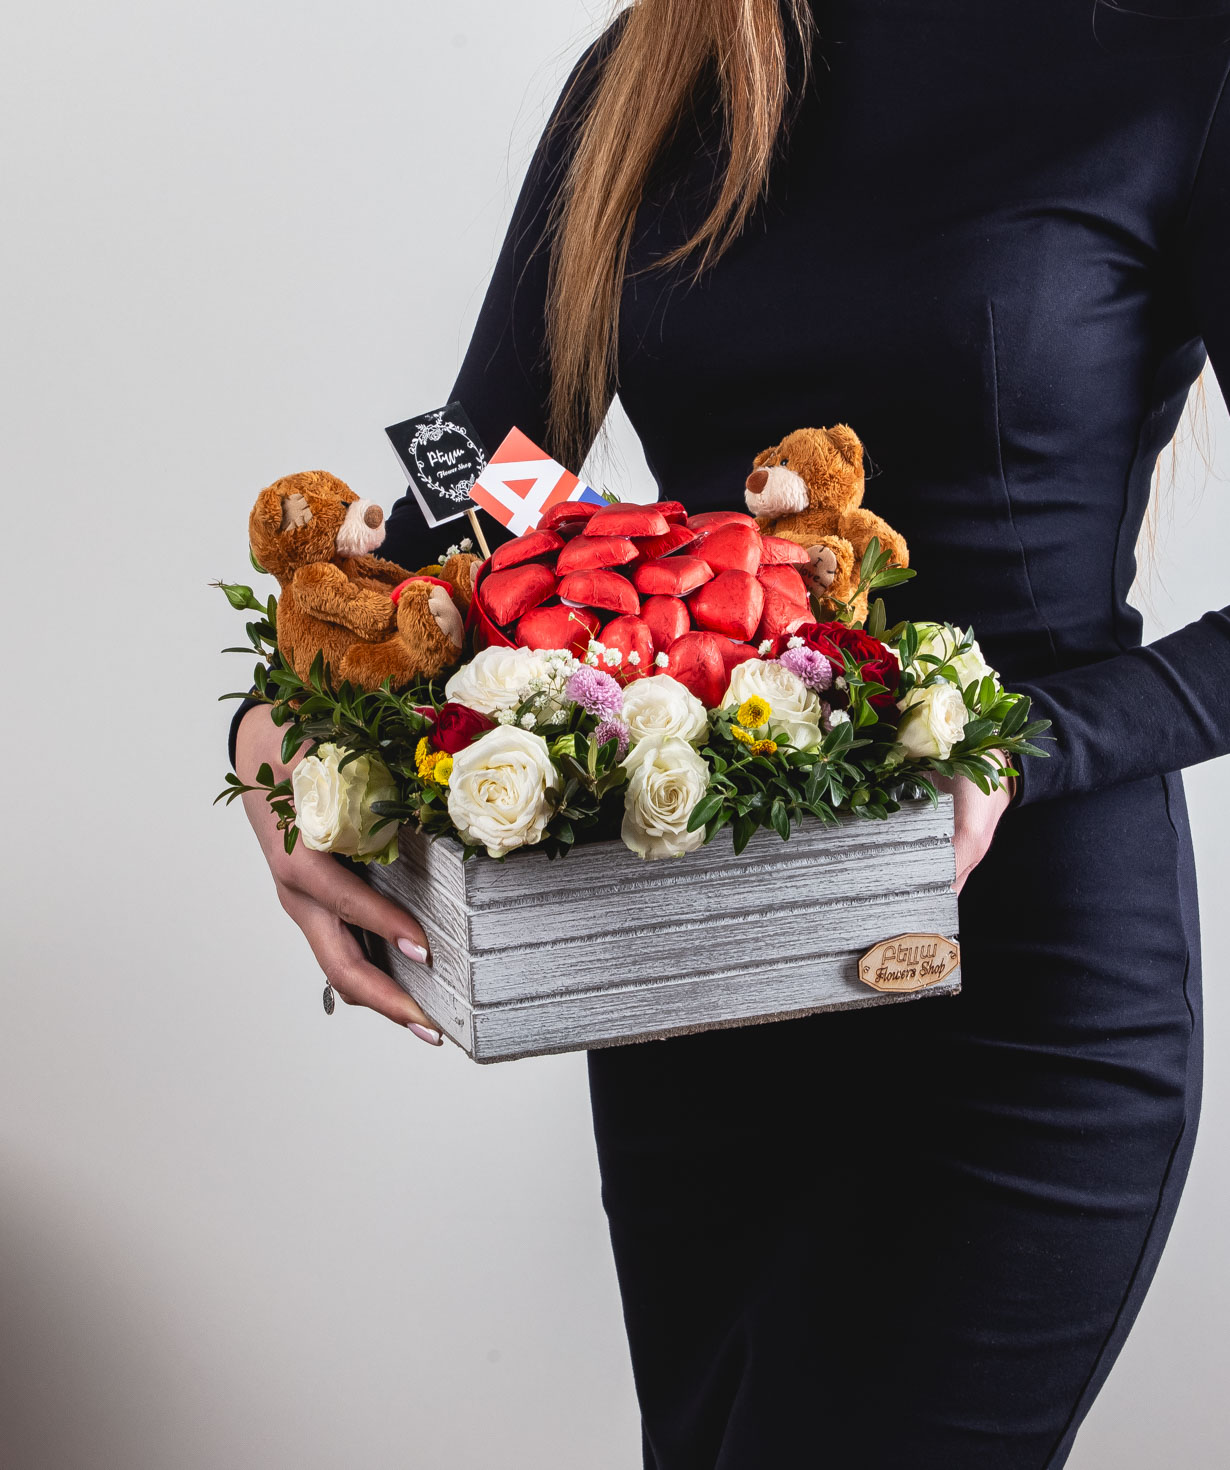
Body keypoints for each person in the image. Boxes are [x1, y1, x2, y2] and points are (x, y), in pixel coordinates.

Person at [233, 2, 1230, 1463]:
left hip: (1021, 991)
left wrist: (1011, 746)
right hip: (688, 966)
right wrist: (284, 710)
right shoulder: (660, 58)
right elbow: (489, 463)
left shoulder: (1175, 53)